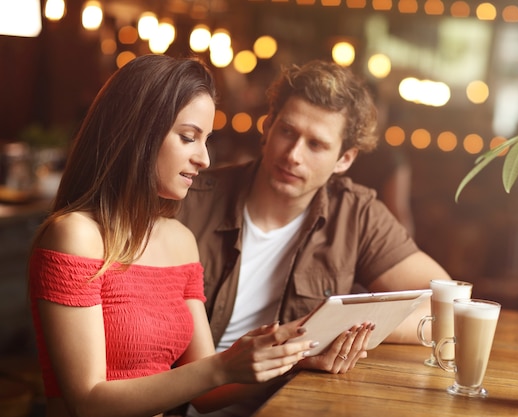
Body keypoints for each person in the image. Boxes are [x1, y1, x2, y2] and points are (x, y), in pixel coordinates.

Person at [27, 54, 317, 417]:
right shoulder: (75, 236)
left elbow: (205, 393)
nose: (205, 158)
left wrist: (294, 355)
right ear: (137, 131)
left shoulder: (180, 240)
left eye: (207, 140)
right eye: (188, 137)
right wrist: (222, 366)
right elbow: (87, 402)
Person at [177, 59, 451, 417]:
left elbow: (447, 307)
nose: (293, 155)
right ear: (268, 126)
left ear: (345, 158)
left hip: (289, 404)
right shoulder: (191, 201)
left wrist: (334, 329)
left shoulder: (357, 215)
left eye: (316, 145)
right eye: (287, 132)